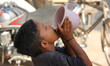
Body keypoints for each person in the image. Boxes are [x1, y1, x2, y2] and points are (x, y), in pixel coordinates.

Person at [14, 17, 92, 66]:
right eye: (45, 28)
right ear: (44, 44)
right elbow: (87, 64)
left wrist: (64, 37)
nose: (49, 25)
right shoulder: (52, 58)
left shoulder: (40, 54)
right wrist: (70, 38)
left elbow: (70, 54)